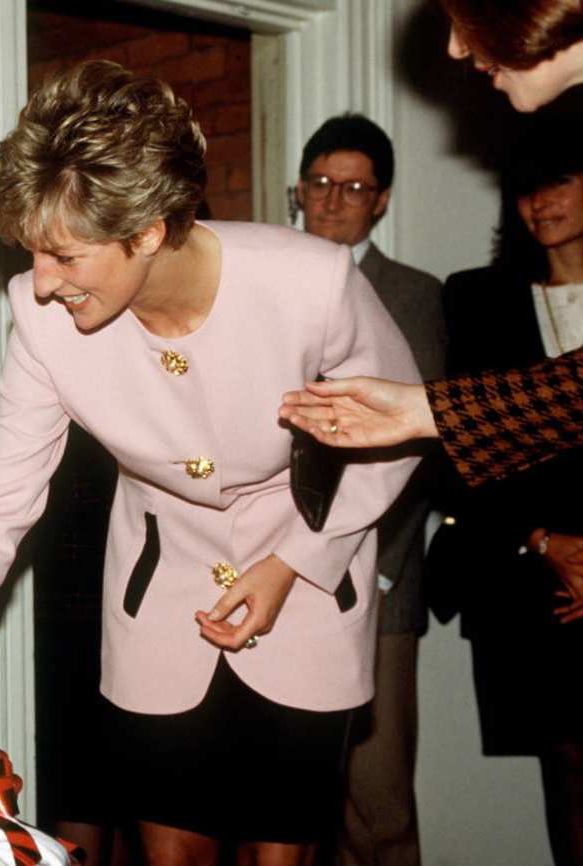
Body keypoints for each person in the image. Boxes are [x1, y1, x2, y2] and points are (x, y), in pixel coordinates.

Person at [0, 61, 421, 866]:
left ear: (149, 230)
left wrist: (300, 560)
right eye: (33, 254)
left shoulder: (311, 281)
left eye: (65, 256)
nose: (42, 282)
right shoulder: (40, 316)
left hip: (308, 588)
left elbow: (400, 430)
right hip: (158, 604)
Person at [277, 0, 583, 483]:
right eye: (319, 184)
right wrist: (422, 411)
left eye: (466, 16)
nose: (455, 46)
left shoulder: (415, 292)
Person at [296, 114, 445, 866]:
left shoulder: (412, 293)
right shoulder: (267, 278)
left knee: (377, 801)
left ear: (380, 201)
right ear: (298, 189)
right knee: (291, 807)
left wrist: (377, 561)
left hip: (376, 578)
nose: (333, 201)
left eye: (353, 188)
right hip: (275, 575)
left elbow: (423, 443)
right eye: (320, 184)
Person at [435, 134, 583, 866]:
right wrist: (546, 543)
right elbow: (458, 451)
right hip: (528, 571)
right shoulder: (478, 297)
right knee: (568, 763)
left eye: (558, 180)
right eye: (527, 188)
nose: (541, 203)